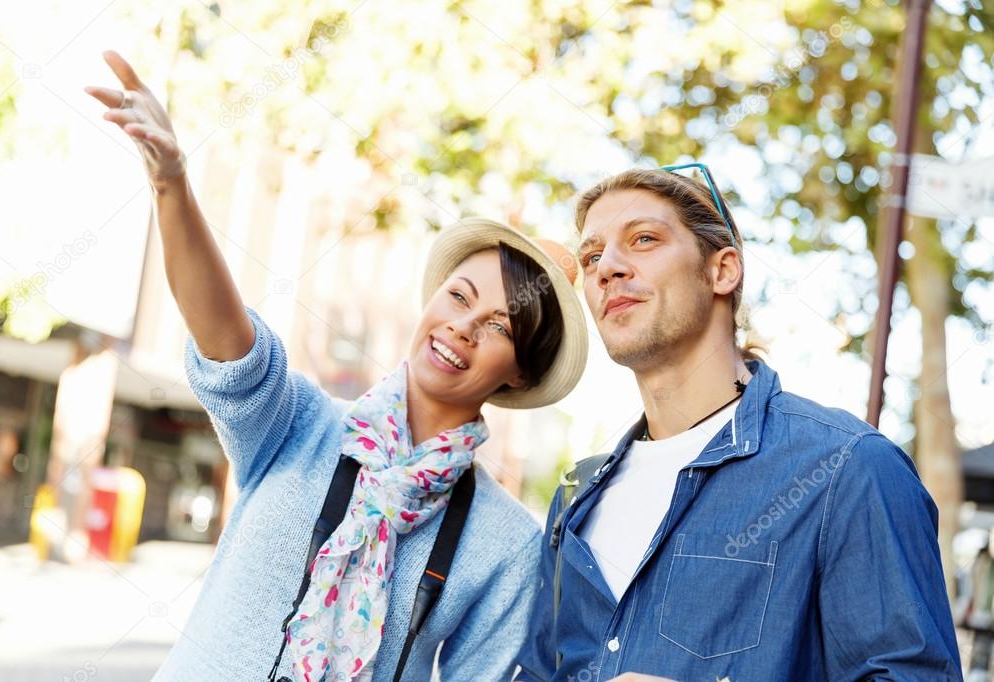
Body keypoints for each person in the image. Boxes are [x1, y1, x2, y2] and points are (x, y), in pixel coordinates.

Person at [84, 50, 588, 681]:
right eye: (459, 297)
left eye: (498, 328)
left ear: (519, 372)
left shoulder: (504, 543)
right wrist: (171, 184)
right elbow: (223, 336)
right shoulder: (297, 426)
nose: (463, 325)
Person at [515, 166, 962, 681]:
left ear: (722, 271)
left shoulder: (847, 467)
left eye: (642, 239)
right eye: (592, 256)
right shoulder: (575, 498)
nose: (607, 268)